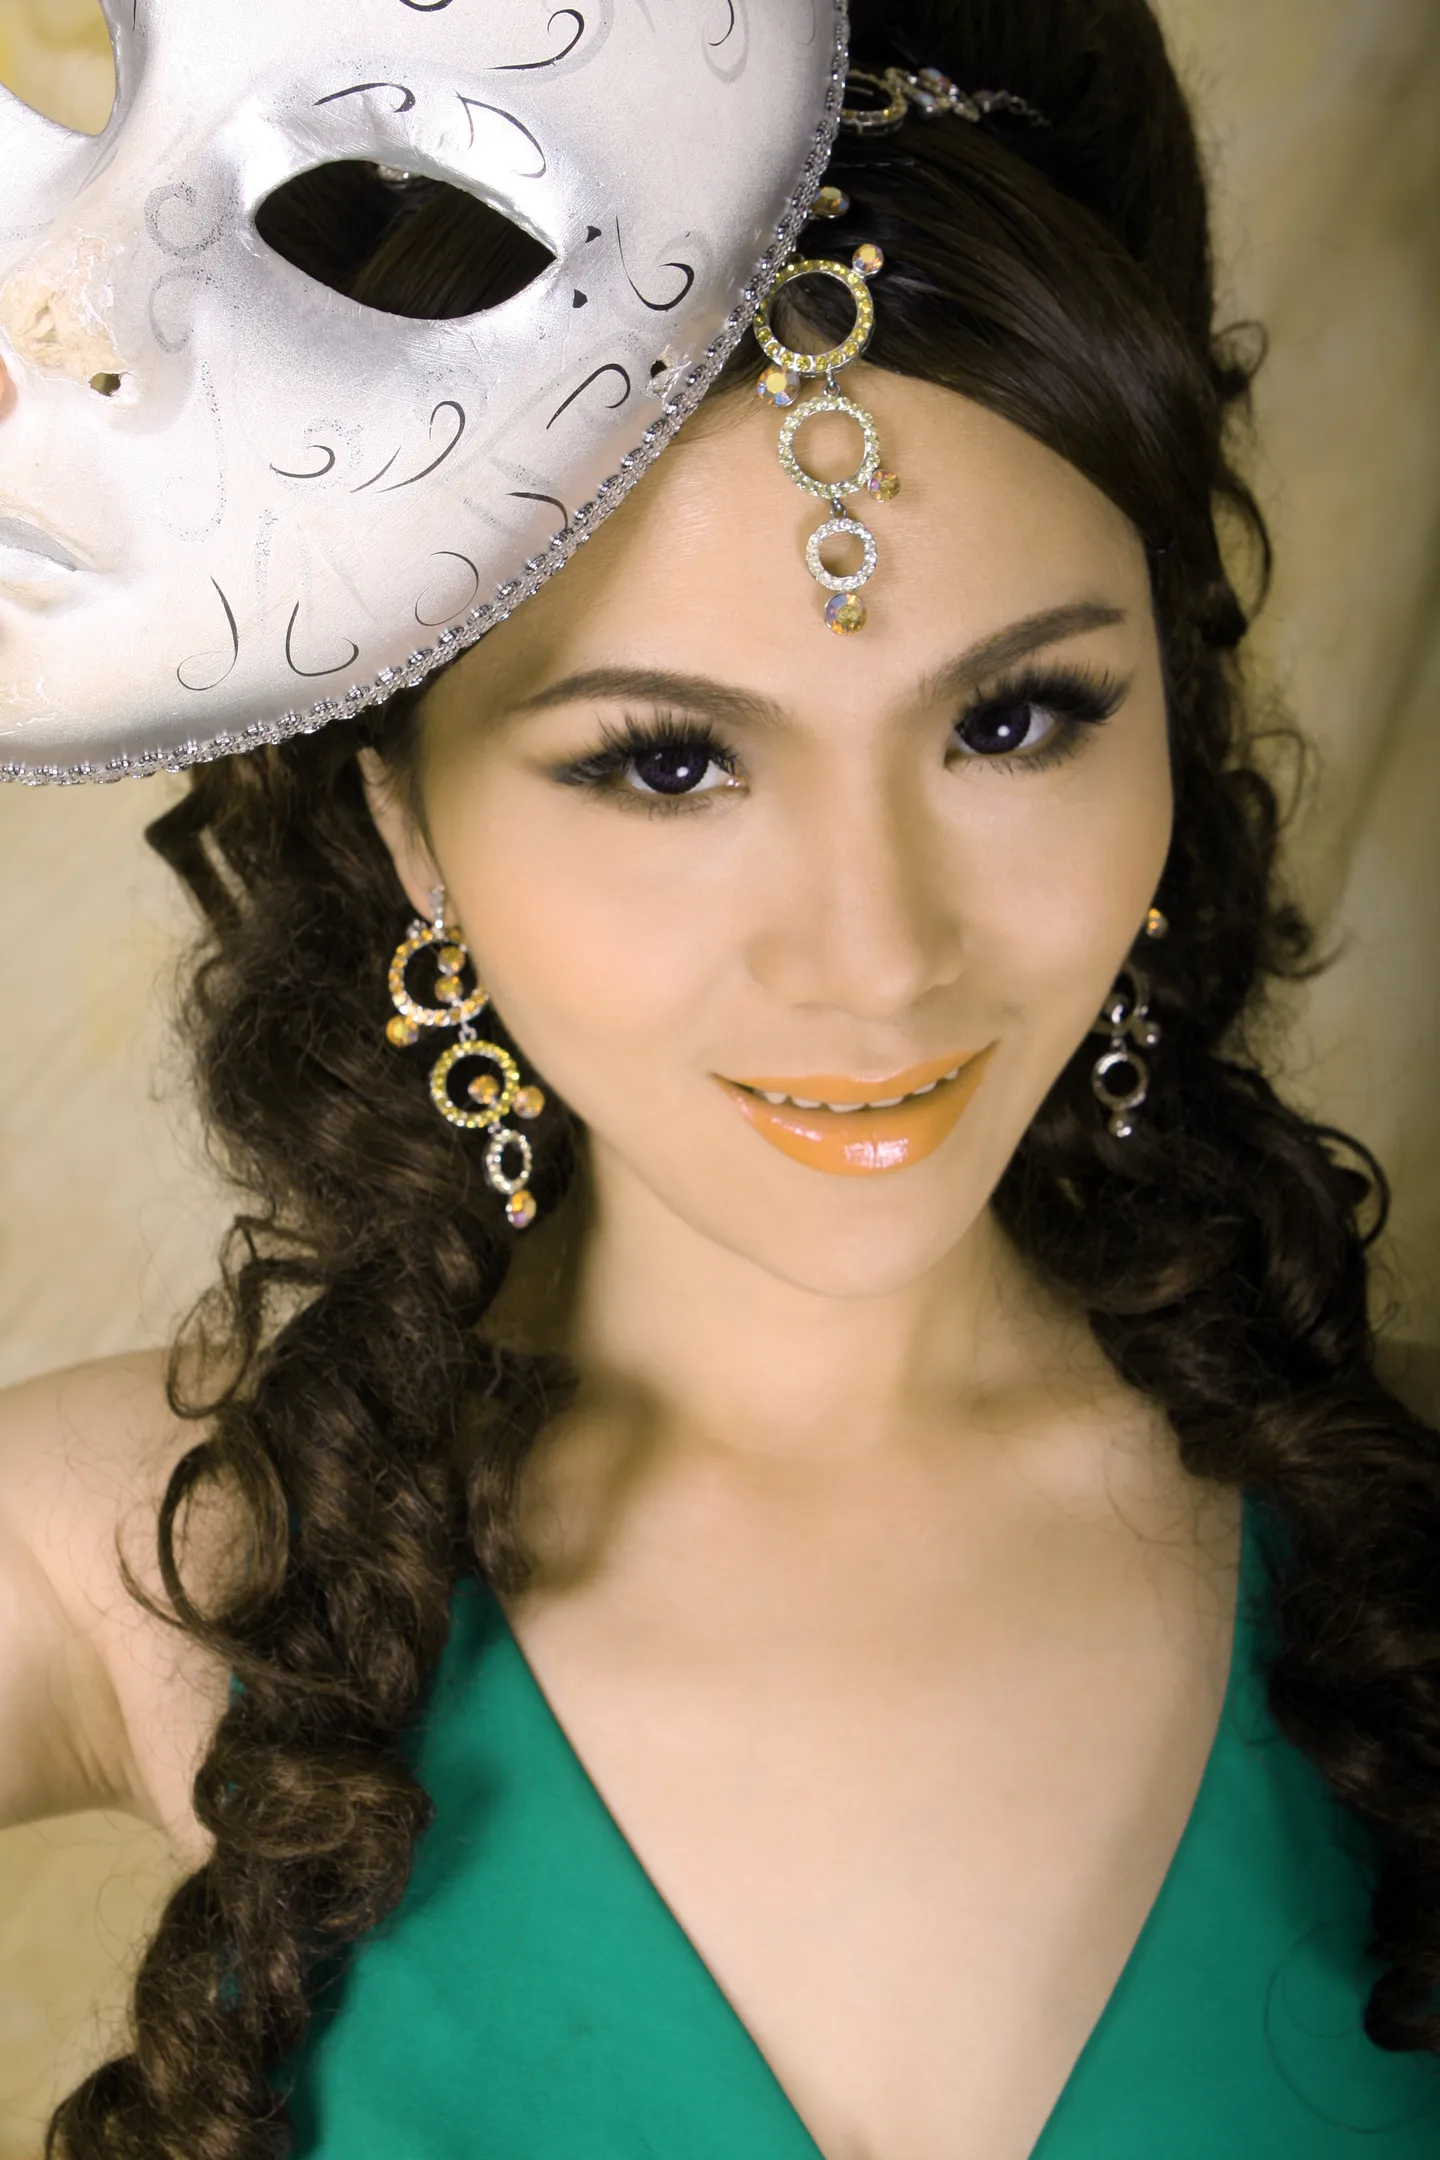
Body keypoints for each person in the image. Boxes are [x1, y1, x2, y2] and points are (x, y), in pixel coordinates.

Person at [3, 1, 1439, 2154]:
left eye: (1016, 721)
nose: (877, 955)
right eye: (668, 762)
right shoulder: (133, 1551)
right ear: (404, 817)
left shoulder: (1404, 1523)